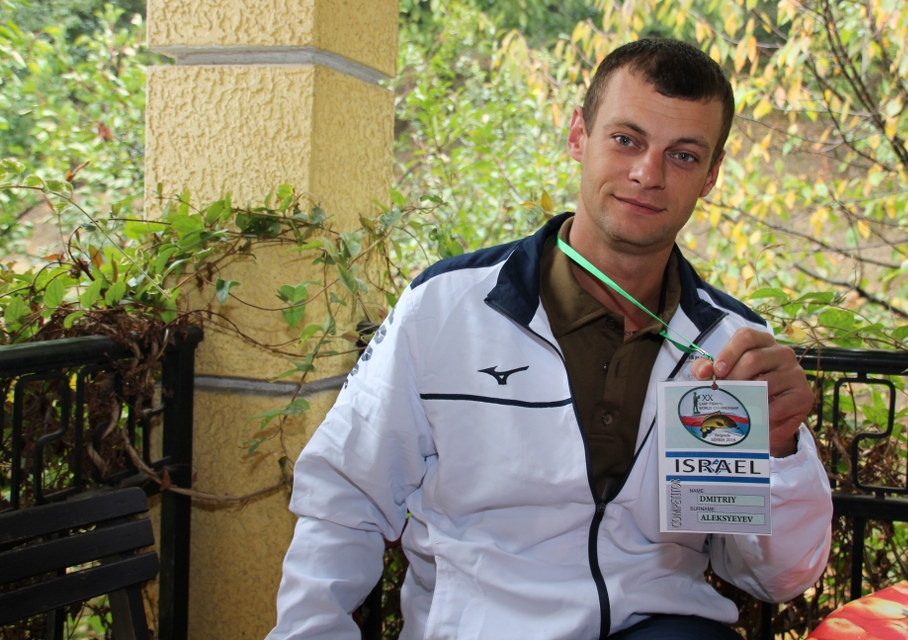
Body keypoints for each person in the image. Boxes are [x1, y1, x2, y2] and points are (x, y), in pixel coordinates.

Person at [267, 38, 832, 640]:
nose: (648, 174)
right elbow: (344, 500)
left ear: (711, 175)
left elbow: (775, 579)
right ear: (578, 136)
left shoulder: (730, 349)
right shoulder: (447, 308)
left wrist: (780, 451)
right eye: (626, 140)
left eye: (684, 155)